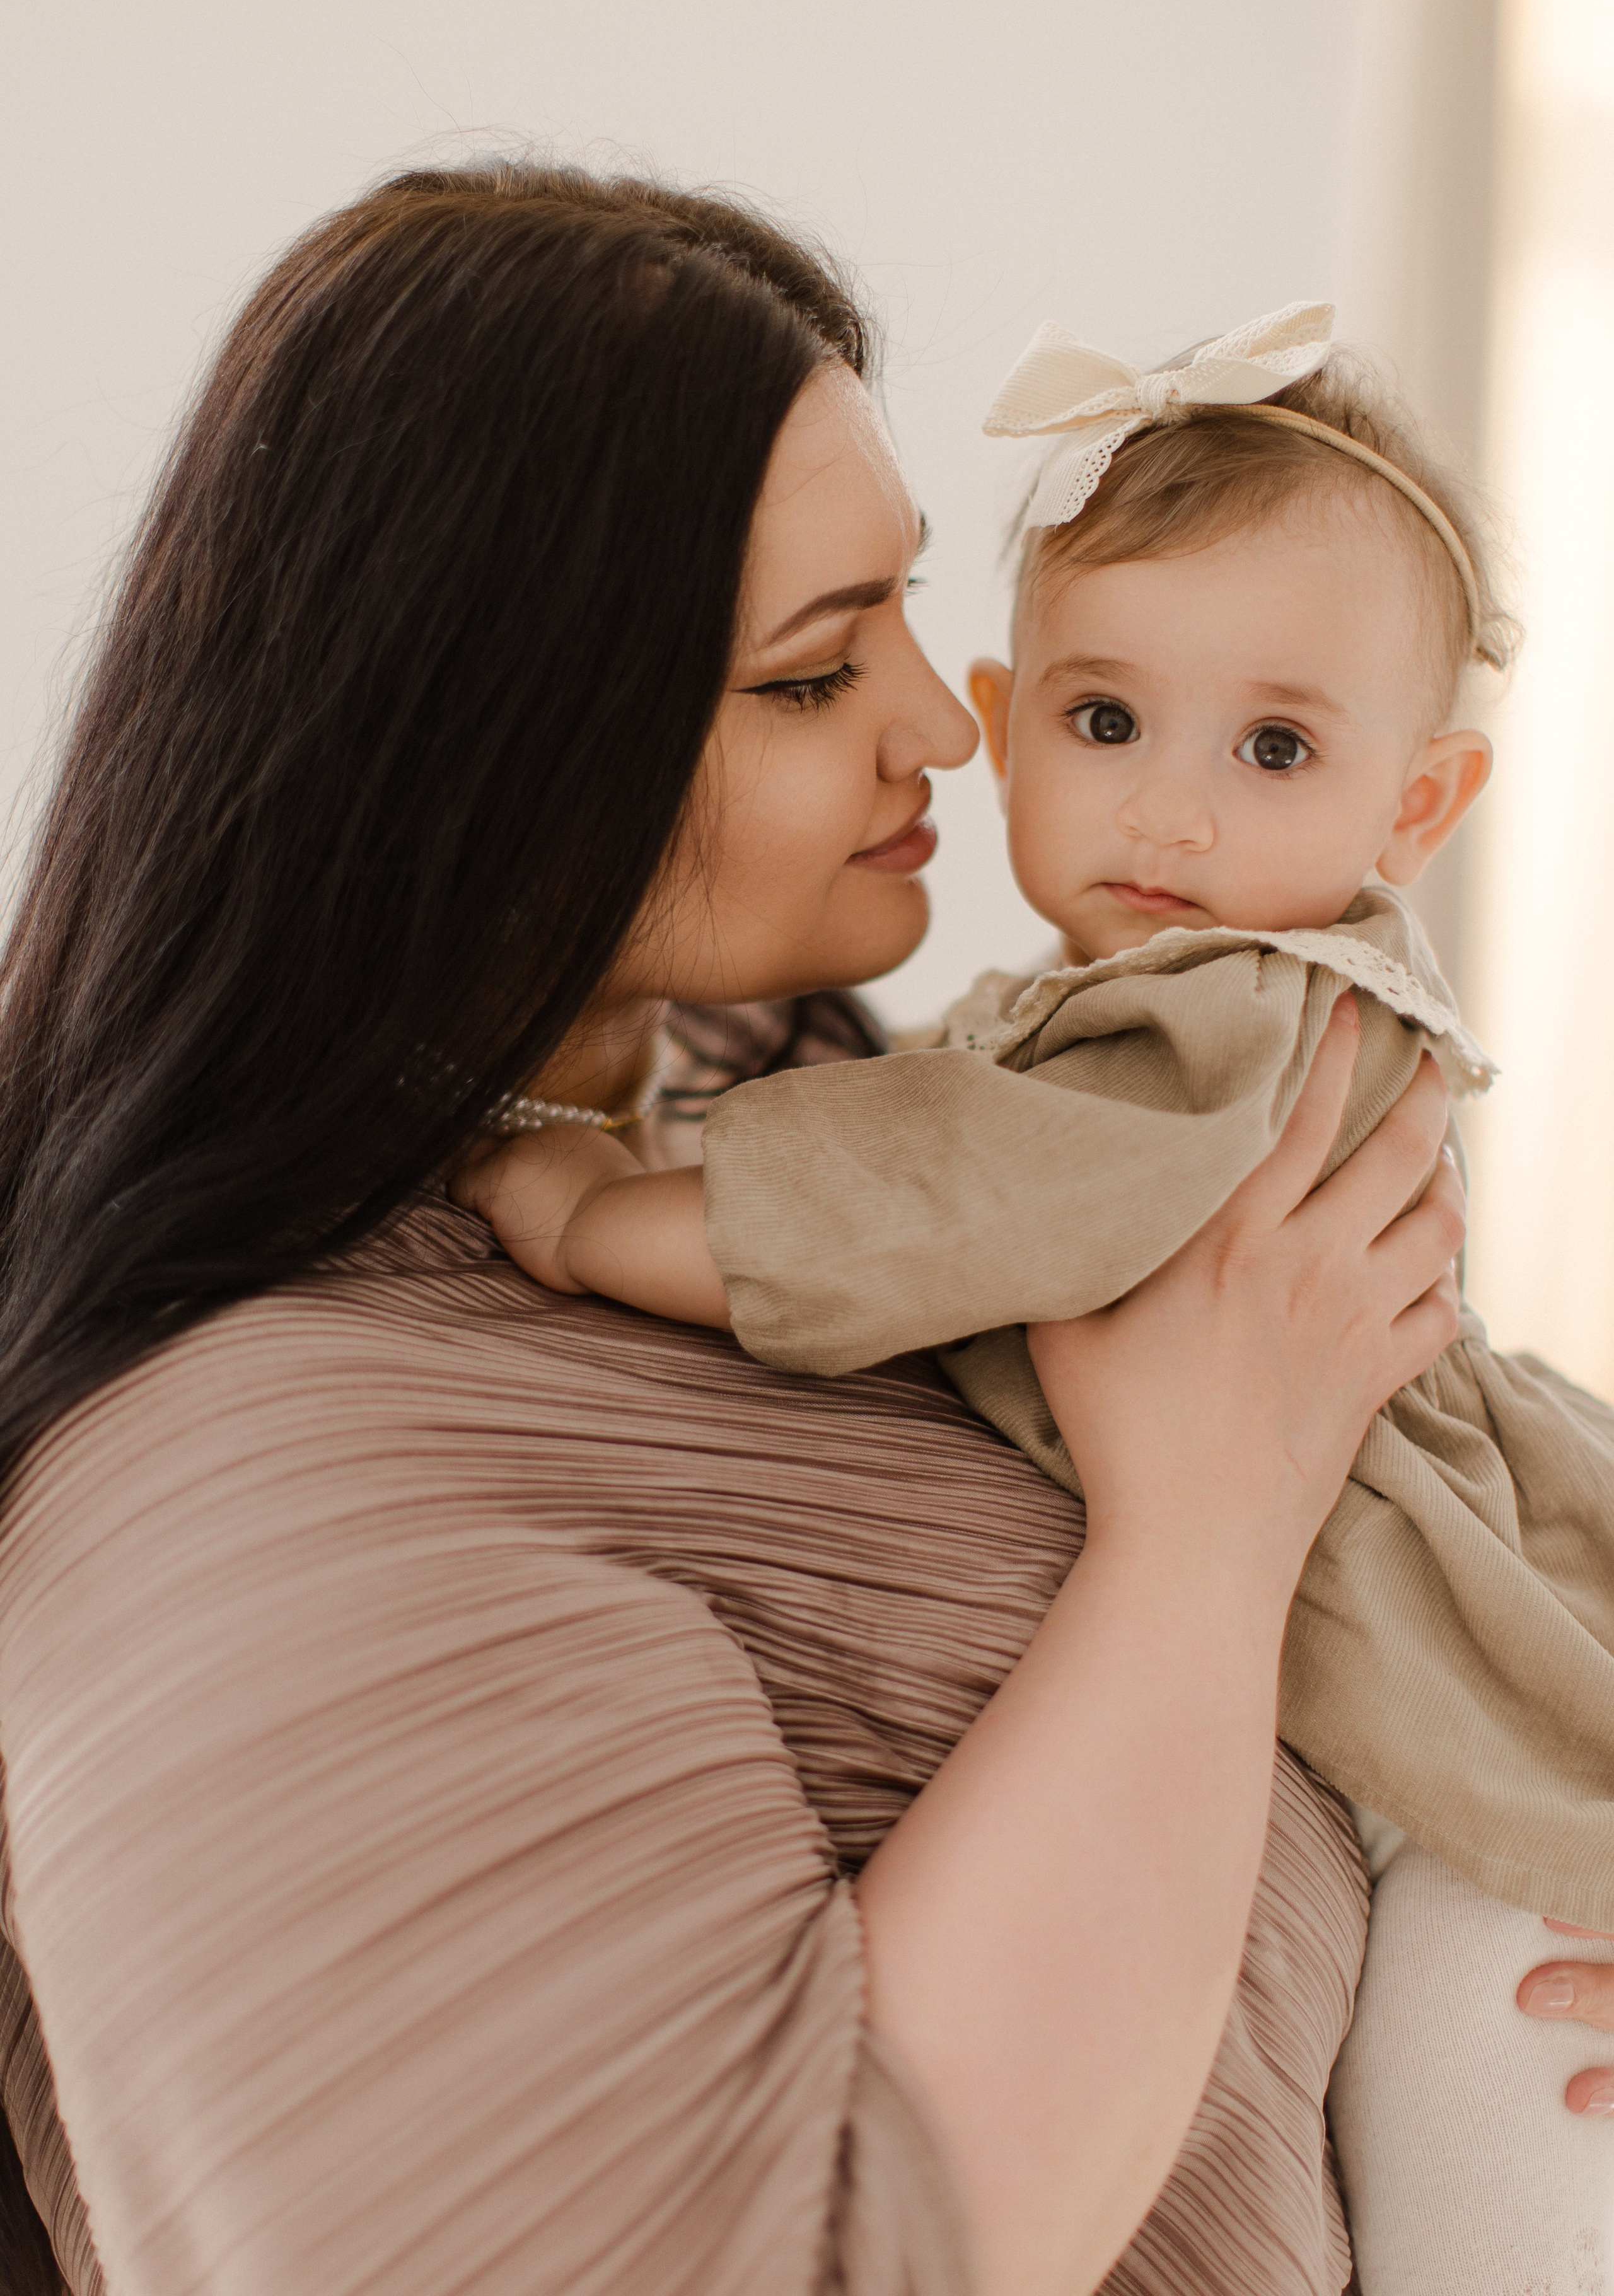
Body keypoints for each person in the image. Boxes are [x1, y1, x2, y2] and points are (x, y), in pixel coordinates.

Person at [0, 159, 1520, 2296]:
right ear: (506, 764)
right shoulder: (269, 1482)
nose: (940, 719)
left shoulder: (807, 1133)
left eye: (906, 604)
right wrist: (1204, 1536)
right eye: (814, 676)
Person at [459, 301, 1614, 2293]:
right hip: (1410, 1755)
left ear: (1418, 808)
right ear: (1006, 719)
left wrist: (591, 1216)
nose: (1170, 808)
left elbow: (945, 1196)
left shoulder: (1238, 1021)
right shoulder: (1096, 1017)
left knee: (1492, 2213)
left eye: (1273, 747)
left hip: (1474, 1815)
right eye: (1105, 724)